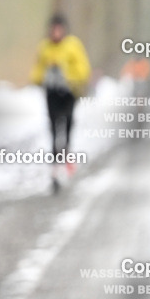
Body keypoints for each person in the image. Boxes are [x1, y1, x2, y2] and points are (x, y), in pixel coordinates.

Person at [30, 14, 91, 190]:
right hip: (52, 93)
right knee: (54, 128)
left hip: (69, 92)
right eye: (53, 29)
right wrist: (40, 78)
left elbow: (83, 68)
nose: (56, 32)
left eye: (59, 29)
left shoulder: (73, 45)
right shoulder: (44, 47)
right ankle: (56, 165)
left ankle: (67, 151)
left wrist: (68, 75)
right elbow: (38, 69)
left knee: (68, 122)